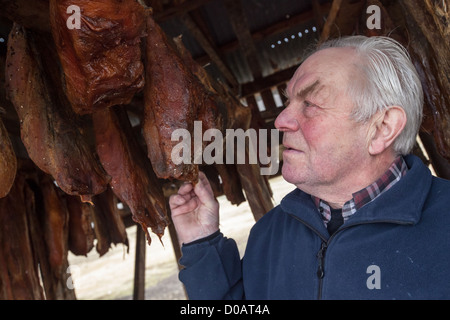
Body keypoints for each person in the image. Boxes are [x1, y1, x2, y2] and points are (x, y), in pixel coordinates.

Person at [169, 35, 450, 300]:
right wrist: (201, 242)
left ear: (381, 128)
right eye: (288, 101)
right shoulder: (268, 235)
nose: (280, 120)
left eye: (311, 104)